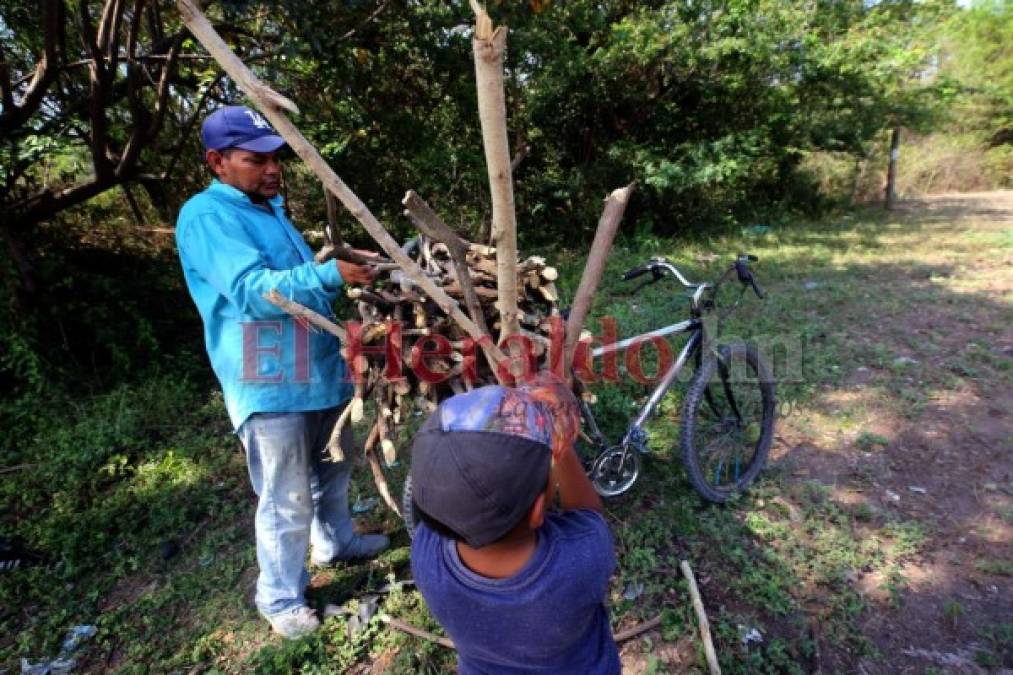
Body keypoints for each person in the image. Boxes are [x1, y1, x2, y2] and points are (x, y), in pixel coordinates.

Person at [175, 105, 389, 638]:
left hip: (315, 368)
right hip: (267, 379)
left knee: (332, 469)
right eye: (256, 160)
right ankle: (280, 598)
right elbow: (255, 290)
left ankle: (336, 542)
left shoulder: (268, 210)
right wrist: (329, 275)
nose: (272, 170)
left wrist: (338, 265)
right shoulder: (207, 216)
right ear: (217, 161)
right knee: (285, 493)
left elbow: (302, 275)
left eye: (276, 159)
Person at [408, 379, 621, 674]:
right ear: (537, 511)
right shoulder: (582, 558)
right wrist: (563, 448)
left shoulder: (425, 553)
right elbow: (588, 514)